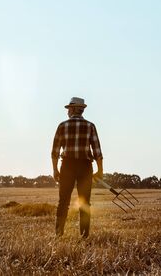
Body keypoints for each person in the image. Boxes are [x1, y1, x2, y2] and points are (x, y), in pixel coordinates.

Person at [51, 97, 103, 238]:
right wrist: (100, 170)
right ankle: (84, 236)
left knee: (63, 202)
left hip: (67, 165)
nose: (67, 112)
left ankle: (58, 234)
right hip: (85, 166)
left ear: (74, 109)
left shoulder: (62, 125)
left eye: (69, 109)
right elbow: (97, 150)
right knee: (85, 202)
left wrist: (55, 169)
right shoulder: (90, 126)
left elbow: (55, 151)